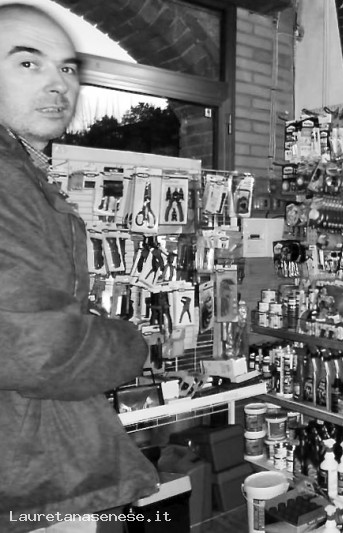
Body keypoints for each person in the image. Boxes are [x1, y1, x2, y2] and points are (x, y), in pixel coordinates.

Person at [0, 4, 158, 532]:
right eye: (28, 63)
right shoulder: (6, 180)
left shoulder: (23, 173)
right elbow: (38, 350)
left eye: (67, 68)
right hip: (22, 482)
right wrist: (130, 344)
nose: (58, 84)